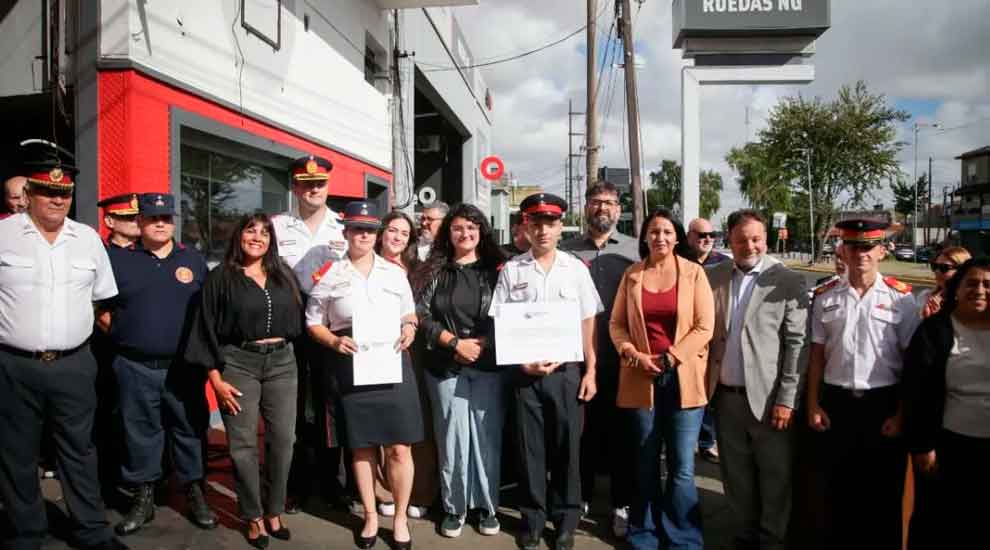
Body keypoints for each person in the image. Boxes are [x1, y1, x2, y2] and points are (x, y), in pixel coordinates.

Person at [0, 139, 127, 550]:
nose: (58, 199)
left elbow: (103, 299)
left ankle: (92, 530)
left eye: (65, 193)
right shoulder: (2, 235)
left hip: (74, 364)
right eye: (49, 191)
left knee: (79, 451)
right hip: (13, 365)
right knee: (16, 454)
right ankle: (26, 532)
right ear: (30, 194)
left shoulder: (87, 239)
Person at [306, 201, 423, 550]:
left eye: (370, 230)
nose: (364, 235)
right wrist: (333, 340)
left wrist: (410, 329)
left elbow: (409, 314)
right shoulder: (329, 274)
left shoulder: (394, 273)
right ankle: (371, 516)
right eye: (357, 229)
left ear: (378, 234)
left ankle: (400, 518)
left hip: (391, 363)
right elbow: (313, 322)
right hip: (350, 362)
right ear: (345, 232)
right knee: (361, 448)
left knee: (400, 448)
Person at [99, 193, 215, 536]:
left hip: (184, 368)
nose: (161, 223)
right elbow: (99, 308)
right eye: (153, 218)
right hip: (134, 365)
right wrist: (123, 334)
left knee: (189, 431)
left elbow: (207, 315)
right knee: (140, 435)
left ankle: (195, 492)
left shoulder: (192, 260)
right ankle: (143, 498)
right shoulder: (119, 261)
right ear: (140, 222)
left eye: (166, 217)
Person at [490, 193, 601, 550]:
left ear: (560, 227)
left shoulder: (576, 269)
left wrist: (591, 370)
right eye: (535, 223)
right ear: (525, 226)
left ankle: (566, 519)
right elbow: (502, 324)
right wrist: (520, 363)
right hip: (526, 375)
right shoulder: (511, 270)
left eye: (550, 223)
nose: (542, 230)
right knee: (529, 449)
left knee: (568, 450)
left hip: (567, 372)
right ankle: (533, 520)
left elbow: (588, 321)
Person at [185, 213, 303, 548]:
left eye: (265, 233)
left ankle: (274, 510)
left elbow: (301, 320)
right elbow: (204, 330)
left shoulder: (284, 275)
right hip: (238, 364)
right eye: (251, 231)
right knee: (242, 446)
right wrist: (216, 380)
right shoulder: (221, 278)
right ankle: (252, 516)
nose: (257, 238)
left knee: (283, 440)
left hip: (283, 362)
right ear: (239, 236)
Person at [806, 219, 920, 549]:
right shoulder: (825, 297)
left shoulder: (902, 299)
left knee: (883, 494)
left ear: (882, 251)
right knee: (838, 491)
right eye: (854, 246)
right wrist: (813, 404)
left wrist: (901, 415)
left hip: (882, 406)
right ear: (843, 249)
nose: (861, 254)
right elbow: (816, 356)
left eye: (868, 247)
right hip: (837, 405)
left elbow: (911, 364)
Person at [609, 208, 715, 550]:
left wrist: (671, 356)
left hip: (683, 378)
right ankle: (645, 533)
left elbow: (704, 327)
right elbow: (617, 324)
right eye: (654, 231)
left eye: (667, 232)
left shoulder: (694, 274)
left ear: (678, 237)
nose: (660, 238)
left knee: (683, 466)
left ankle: (683, 537)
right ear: (644, 237)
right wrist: (632, 353)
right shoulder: (632, 275)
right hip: (641, 377)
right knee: (645, 463)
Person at [704, 209, 808, 550]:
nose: (749, 245)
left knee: (774, 475)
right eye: (741, 239)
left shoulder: (787, 279)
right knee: (736, 475)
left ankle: (772, 538)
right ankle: (745, 533)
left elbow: (797, 343)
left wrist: (786, 399)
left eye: (756, 238)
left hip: (769, 400)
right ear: (729, 240)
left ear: (765, 239)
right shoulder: (713, 276)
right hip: (725, 396)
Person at [411, 203, 508, 538]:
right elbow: (421, 315)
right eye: (458, 228)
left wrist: (483, 342)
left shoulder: (499, 269)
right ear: (447, 233)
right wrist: (453, 343)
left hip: (487, 364)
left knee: (486, 438)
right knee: (451, 437)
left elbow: (512, 312)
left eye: (472, 227)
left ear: (481, 231)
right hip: (444, 365)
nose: (465, 234)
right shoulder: (434, 270)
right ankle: (454, 508)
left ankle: (486, 507)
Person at [560, 181, 639, 537]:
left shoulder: (637, 251)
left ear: (619, 210)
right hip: (577, 360)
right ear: (585, 207)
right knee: (582, 434)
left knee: (625, 435)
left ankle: (623, 503)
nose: (602, 208)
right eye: (595, 202)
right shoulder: (565, 251)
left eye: (609, 203)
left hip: (625, 361)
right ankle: (582, 498)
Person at [272, 154, 348, 513]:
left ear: (328, 186)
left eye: (320, 183)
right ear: (295, 186)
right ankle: (297, 483)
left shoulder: (343, 226)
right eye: (306, 182)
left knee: (330, 404)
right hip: (289, 327)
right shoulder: (276, 226)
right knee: (294, 408)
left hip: (331, 328)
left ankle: (331, 481)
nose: (313, 188)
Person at [902, 257, 990, 548]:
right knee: (940, 522)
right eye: (972, 283)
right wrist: (923, 445)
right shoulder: (934, 331)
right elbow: (917, 392)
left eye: (988, 285)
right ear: (955, 289)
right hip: (949, 446)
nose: (979, 290)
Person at [372, 210, 435, 520]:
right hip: (374, 352)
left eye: (404, 234)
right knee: (382, 421)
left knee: (415, 422)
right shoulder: (363, 264)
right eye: (392, 230)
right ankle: (384, 491)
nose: (397, 237)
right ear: (382, 231)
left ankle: (420, 493)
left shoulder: (420, 271)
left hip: (414, 353)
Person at [686, 217, 726, 465]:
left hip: (715, 337)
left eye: (712, 235)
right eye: (701, 235)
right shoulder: (679, 260)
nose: (707, 240)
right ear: (689, 236)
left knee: (710, 391)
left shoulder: (724, 263)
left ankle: (707, 441)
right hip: (686, 337)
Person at [919, 246, 971, 319]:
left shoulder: (973, 302)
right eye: (934, 266)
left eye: (944, 267)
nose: (937, 271)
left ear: (962, 271)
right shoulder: (925, 297)